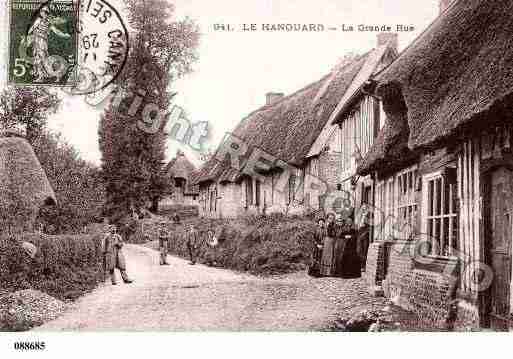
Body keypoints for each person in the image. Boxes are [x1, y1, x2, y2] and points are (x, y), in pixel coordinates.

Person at [27, 4, 71, 82]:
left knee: (43, 59)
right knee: (39, 59)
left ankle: (55, 74)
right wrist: (27, 36)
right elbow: (32, 29)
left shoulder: (48, 23)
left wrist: (64, 35)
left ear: (47, 13)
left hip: (42, 42)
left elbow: (56, 31)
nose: (43, 13)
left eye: (45, 12)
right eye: (42, 12)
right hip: (37, 42)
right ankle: (42, 76)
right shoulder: (39, 21)